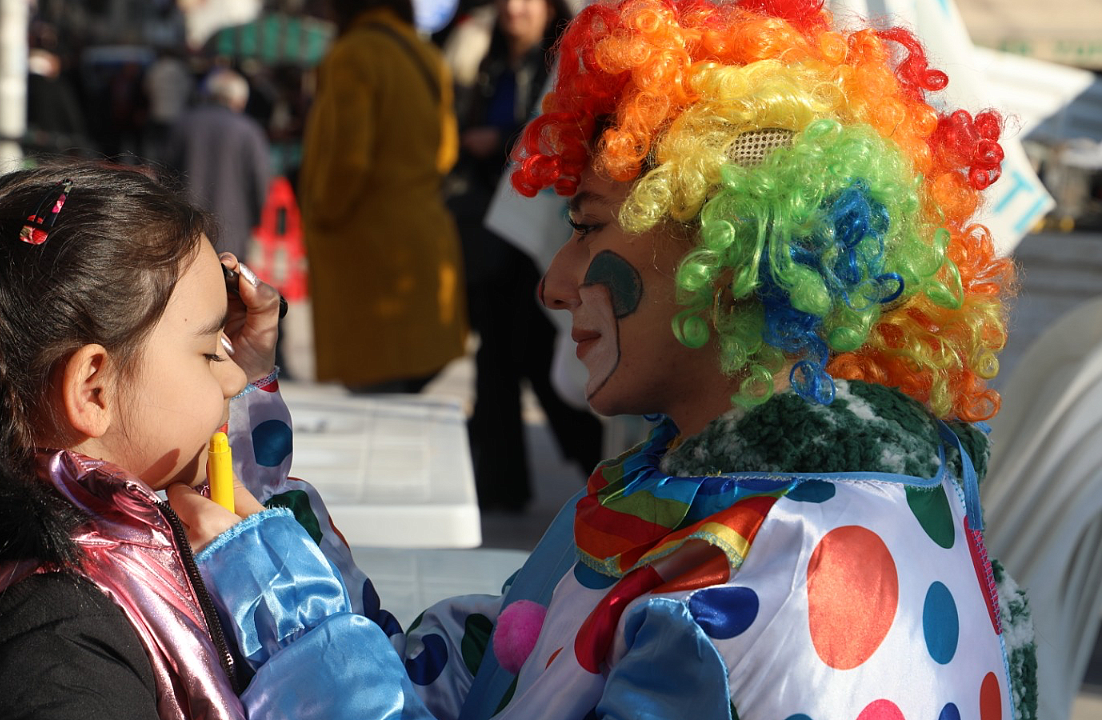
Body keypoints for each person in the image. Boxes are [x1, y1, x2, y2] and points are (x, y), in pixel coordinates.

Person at [240, 0, 1037, 717]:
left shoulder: (759, 573)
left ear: (730, 248)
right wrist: (252, 481)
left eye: (587, 228)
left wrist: (287, 615)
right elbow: (482, 675)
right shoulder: (718, 490)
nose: (554, 284)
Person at [0, 162, 432, 719]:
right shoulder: (57, 649)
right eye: (209, 351)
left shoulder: (1, 554)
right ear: (93, 388)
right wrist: (302, 629)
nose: (234, 379)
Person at [446, 0, 601, 511]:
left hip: (538, 227)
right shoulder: (486, 61)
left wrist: (502, 140)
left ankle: (593, 464)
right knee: (497, 357)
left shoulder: (562, 58)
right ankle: (501, 484)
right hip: (491, 234)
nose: (516, 9)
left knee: (540, 352)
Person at [300, 0, 468, 392]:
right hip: (426, 237)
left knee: (377, 397)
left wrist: (321, 213)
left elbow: (348, 160)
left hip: (371, 253)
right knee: (403, 390)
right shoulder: (426, 53)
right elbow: (447, 150)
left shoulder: (354, 53)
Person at [167, 68, 273, 260]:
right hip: (232, 230)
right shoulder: (248, 130)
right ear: (240, 100)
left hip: (187, 226)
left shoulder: (183, 124)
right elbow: (260, 180)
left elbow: (165, 173)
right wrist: (256, 218)